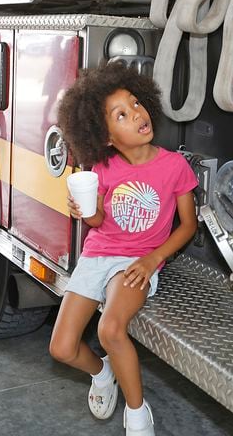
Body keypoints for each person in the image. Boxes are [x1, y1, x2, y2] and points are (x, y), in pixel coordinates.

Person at [49, 63, 198, 436]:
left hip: (138, 261)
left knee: (111, 329)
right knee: (62, 349)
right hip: (98, 254)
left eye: (135, 104)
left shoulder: (174, 165)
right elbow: (98, 223)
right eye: (121, 114)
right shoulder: (102, 166)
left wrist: (152, 260)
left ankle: (137, 414)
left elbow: (189, 225)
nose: (136, 114)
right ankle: (102, 373)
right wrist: (87, 211)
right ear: (107, 136)